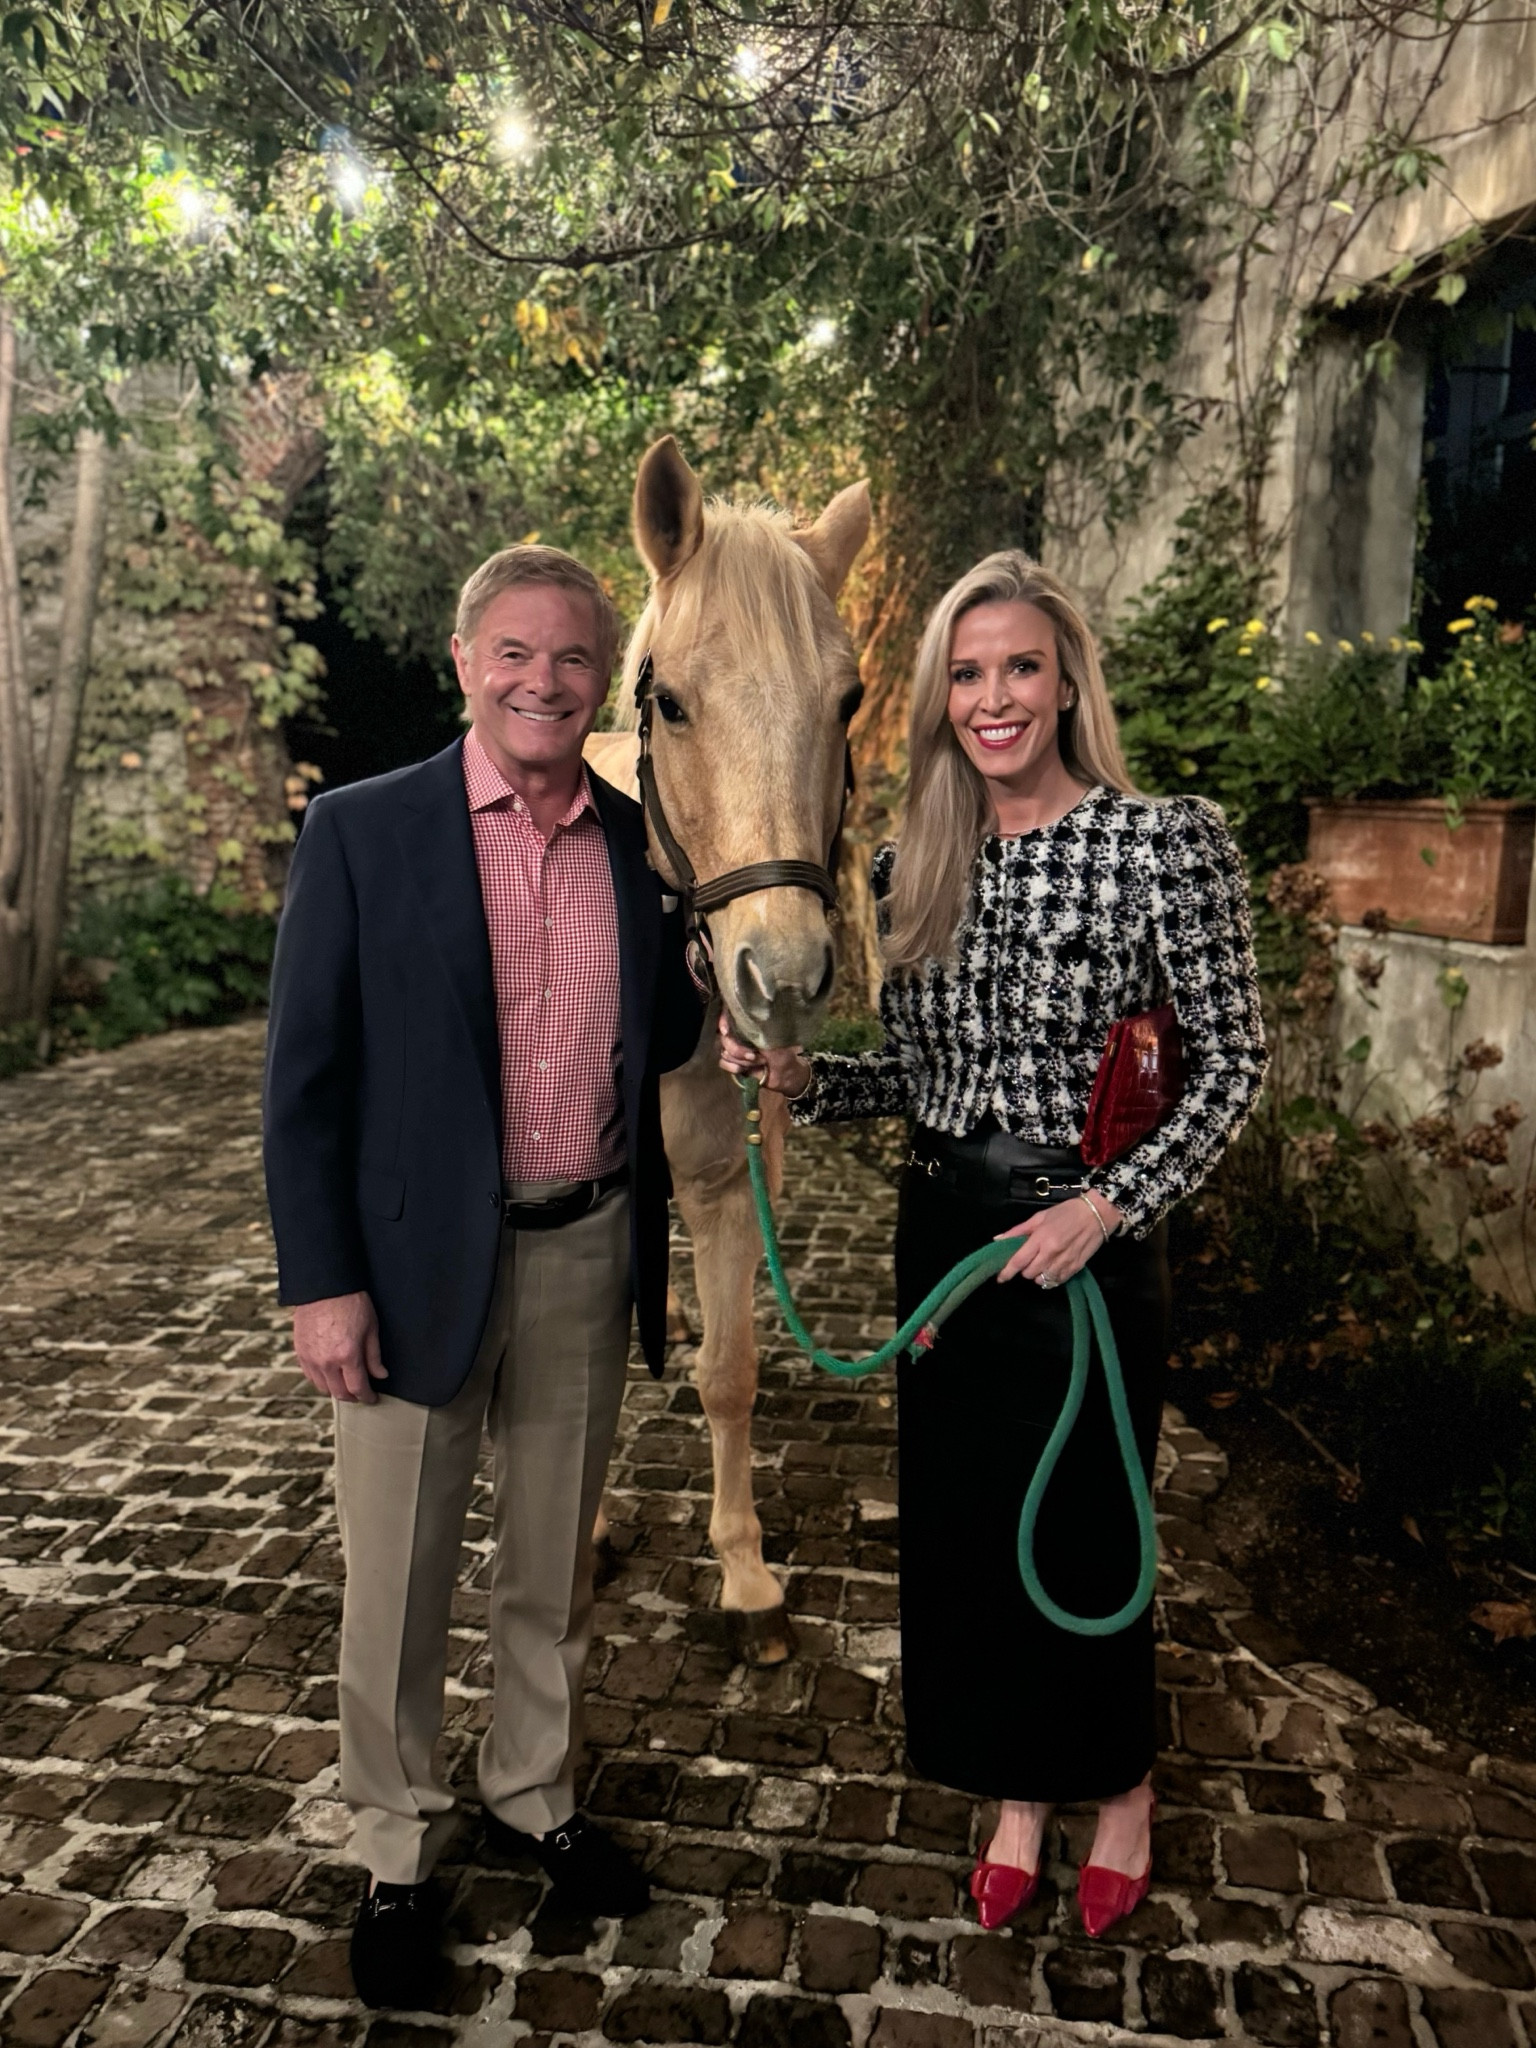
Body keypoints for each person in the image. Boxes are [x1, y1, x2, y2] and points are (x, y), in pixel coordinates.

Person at [721, 551, 1267, 1939]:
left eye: (1020, 666)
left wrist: (1114, 1203)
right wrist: (801, 1083)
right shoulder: (916, 861)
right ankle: (1021, 1791)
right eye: (967, 675)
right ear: (938, 699)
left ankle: (1121, 1783)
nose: (994, 698)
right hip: (949, 1236)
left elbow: (1234, 1065)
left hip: (1085, 1238)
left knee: (1086, 1527)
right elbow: (918, 1078)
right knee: (968, 1534)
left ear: (1069, 677)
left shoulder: (1165, 844)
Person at [263, 545, 701, 2010]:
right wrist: (323, 1283)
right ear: (465, 664)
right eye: (514, 653)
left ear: (603, 684)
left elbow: (671, 1033)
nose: (544, 681)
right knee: (396, 1579)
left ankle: (533, 1787)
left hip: (586, 1243)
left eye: (573, 658)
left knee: (548, 1569)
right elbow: (304, 1081)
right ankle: (394, 1845)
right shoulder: (363, 832)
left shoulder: (641, 846)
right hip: (405, 1266)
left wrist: (740, 1010)